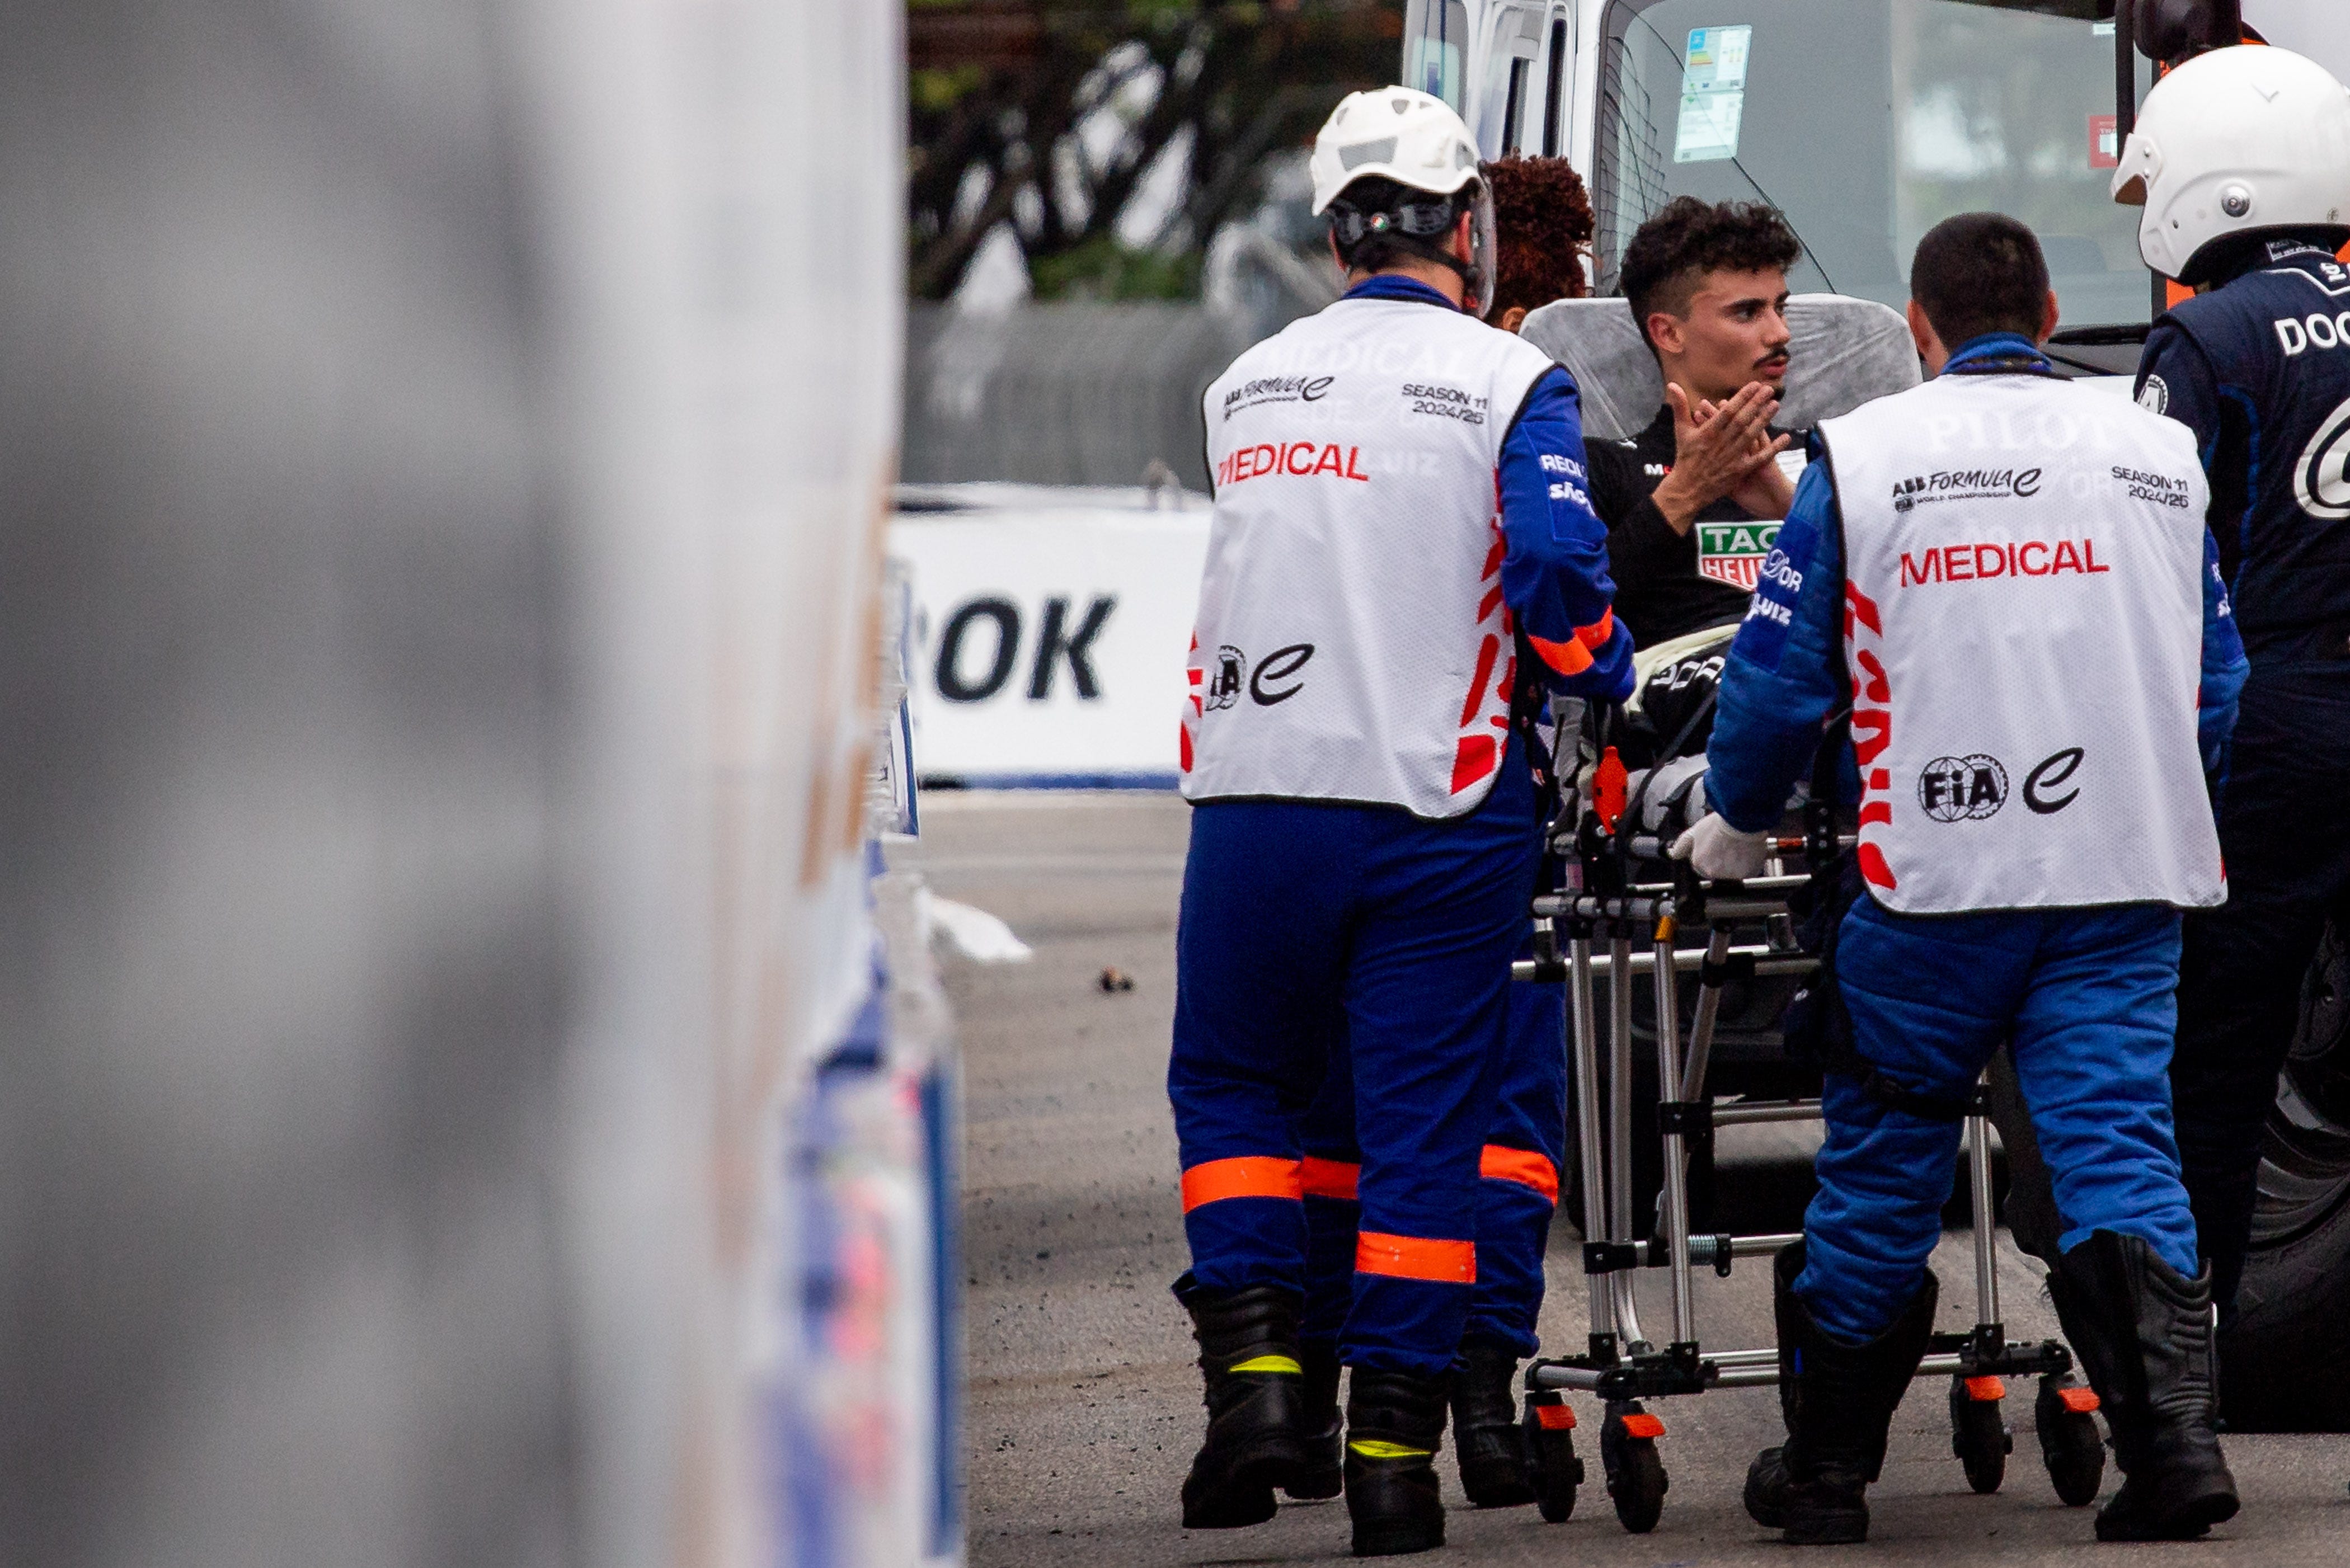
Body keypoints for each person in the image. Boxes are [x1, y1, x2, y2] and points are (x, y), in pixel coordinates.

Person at [1675, 212, 2246, 1544]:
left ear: (1919, 332)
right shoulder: (2160, 453)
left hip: (1928, 878)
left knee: (1880, 1165)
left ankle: (1825, 1472)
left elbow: (1777, 683)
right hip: (2118, 875)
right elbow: (2218, 683)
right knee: (2116, 1148)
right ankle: (2176, 1451)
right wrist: (2153, 790)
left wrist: (1736, 820)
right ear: (2050, 316)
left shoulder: (1864, 456)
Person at [1168, 89, 1634, 1559]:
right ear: (1463, 226)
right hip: (1440, 808)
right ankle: (1390, 1462)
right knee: (1423, 1130)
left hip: (1252, 796)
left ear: (1329, 229)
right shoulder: (1506, 379)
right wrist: (1608, 671)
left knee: (1238, 1088)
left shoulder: (1245, 385)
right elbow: (1559, 575)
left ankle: (1253, 1387)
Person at [1282, 153, 1601, 1516]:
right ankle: (1456, 1383)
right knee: (1484, 1118)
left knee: (1370, 1114)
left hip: (1337, 798)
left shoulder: (1346, 394)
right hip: (1482, 806)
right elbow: (1582, 593)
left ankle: (1329, 1398)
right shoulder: (1520, 396)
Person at [2111, 43, 2350, 1330]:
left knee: (2218, 1061)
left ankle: (2189, 1377)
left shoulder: (2202, 336)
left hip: (2274, 721)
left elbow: (2154, 552)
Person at [1590, 197, 1804, 654]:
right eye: (1747, 312)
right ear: (1668, 333)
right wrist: (1686, 490)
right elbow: (1573, 614)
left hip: (1823, 688)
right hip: (1682, 696)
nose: (1780, 333)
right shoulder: (1606, 467)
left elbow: (1896, 590)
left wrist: (1793, 509)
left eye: (1779, 308)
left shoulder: (1830, 457)